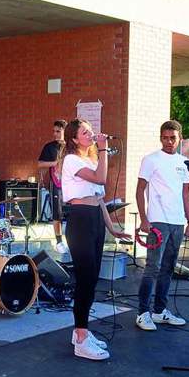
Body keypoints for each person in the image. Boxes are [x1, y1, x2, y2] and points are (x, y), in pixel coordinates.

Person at [61, 120, 132, 361]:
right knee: (86, 278)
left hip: (95, 220)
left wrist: (113, 228)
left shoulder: (91, 160)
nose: (91, 135)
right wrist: (102, 150)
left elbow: (100, 199)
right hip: (79, 219)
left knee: (92, 280)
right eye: (85, 132)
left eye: (91, 131)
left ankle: (80, 331)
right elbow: (101, 179)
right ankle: (81, 339)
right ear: (73, 139)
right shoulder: (72, 160)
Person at [135, 120, 189, 331]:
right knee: (153, 267)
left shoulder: (184, 162)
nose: (169, 142)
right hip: (158, 221)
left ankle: (159, 311)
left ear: (179, 139)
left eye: (173, 138)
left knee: (168, 268)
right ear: (160, 138)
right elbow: (140, 189)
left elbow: (186, 193)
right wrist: (144, 218)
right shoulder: (150, 160)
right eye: (165, 138)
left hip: (177, 222)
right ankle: (142, 313)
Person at [38, 119, 68, 254]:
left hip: (71, 184)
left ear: (65, 131)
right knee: (57, 213)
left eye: (58, 131)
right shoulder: (49, 147)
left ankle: (72, 239)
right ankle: (59, 241)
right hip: (56, 183)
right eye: (54, 131)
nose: (55, 134)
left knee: (72, 212)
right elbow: (40, 164)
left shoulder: (72, 146)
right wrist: (55, 163)